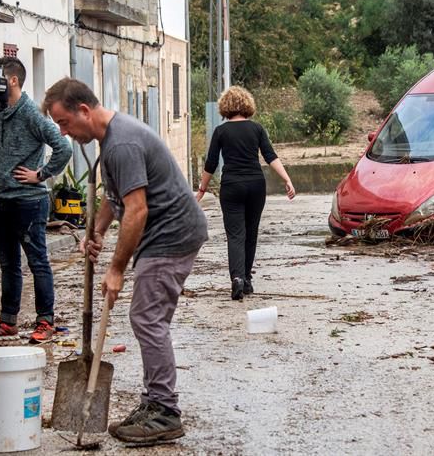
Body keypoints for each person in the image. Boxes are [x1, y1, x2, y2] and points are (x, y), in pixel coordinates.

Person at [43, 77, 208, 446]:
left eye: (64, 123)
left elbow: (137, 210)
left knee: (147, 318)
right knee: (147, 317)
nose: (64, 133)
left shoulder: (122, 144)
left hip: (171, 235)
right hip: (165, 233)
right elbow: (115, 194)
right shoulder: (112, 139)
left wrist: (116, 268)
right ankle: (153, 403)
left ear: (83, 110)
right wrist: (98, 230)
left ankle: (164, 411)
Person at [0, 57, 72, 343]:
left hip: (29, 201)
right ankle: (8, 320)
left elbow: (63, 147)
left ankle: (45, 321)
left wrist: (41, 174)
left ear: (13, 80)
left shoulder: (32, 113)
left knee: (38, 262)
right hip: (1, 200)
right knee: (8, 264)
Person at [196, 85, 295, 300]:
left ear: (225, 106)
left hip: (231, 186)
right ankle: (247, 279)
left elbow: (211, 163)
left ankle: (237, 278)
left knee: (235, 234)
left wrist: (202, 189)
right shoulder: (257, 129)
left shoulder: (221, 131)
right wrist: (286, 179)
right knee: (251, 233)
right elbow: (270, 156)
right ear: (247, 105)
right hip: (255, 185)